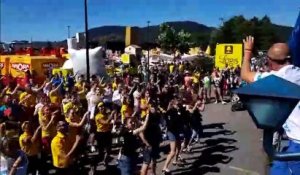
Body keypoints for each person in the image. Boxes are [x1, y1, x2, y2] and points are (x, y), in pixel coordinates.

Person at [241, 36, 300, 175]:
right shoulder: (297, 72)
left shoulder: (274, 79)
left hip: (298, 142)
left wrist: (247, 51)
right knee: (277, 168)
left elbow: (245, 74)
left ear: (270, 62)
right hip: (293, 142)